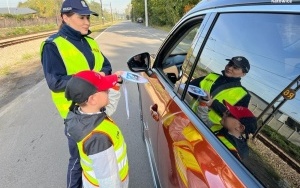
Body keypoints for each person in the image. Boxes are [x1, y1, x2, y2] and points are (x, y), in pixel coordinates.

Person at [40, 0, 112, 187]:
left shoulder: (90, 41)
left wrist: (103, 75)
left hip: (98, 108)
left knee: (98, 155)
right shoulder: (53, 45)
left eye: (88, 17)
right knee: (78, 160)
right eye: (81, 17)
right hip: (76, 115)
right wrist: (90, 79)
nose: (87, 22)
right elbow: (55, 82)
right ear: (65, 17)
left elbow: (106, 66)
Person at [65, 70, 129, 188]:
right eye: (105, 89)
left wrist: (115, 84)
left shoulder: (83, 115)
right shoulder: (98, 138)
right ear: (92, 99)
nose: (108, 89)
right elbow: (109, 182)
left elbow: (109, 107)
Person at [190, 56, 251, 125]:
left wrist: (212, 104)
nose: (230, 68)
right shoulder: (211, 76)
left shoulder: (244, 95)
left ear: (243, 74)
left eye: (235, 67)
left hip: (205, 130)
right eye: (230, 64)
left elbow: (236, 120)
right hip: (185, 115)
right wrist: (201, 96)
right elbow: (189, 86)